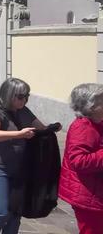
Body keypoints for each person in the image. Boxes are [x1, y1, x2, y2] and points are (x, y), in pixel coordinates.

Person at [0, 78, 58, 234]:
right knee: (2, 211)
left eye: (27, 96)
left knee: (16, 212)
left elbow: (41, 128)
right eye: (21, 96)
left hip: (19, 170)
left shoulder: (24, 111)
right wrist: (19, 134)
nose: (25, 100)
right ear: (9, 95)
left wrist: (51, 129)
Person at [59, 83, 103, 234]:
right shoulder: (82, 127)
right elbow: (79, 161)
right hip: (88, 197)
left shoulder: (97, 122)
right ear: (89, 107)